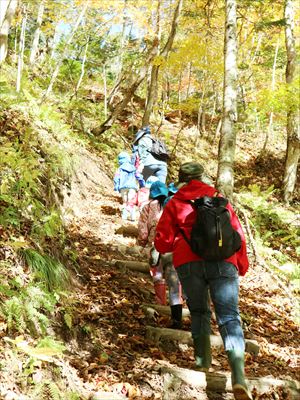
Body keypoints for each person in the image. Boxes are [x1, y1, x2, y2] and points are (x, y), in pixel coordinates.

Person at [154, 162, 252, 400]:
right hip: (224, 261)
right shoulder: (219, 198)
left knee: (199, 312)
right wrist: (241, 264)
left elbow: (162, 242)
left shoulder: (175, 202)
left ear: (182, 181)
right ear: (203, 178)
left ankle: (202, 364)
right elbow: (237, 233)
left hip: (188, 262)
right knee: (229, 316)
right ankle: (239, 377)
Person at [137, 181, 182, 328]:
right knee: (174, 279)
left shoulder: (147, 207)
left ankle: (160, 304)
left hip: (155, 246)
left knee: (157, 276)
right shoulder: (172, 205)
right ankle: (178, 305)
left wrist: (142, 243)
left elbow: (143, 229)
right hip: (173, 247)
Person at [113, 151, 145, 221]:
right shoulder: (133, 168)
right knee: (131, 202)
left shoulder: (120, 169)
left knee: (125, 202)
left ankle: (124, 217)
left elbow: (116, 178)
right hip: (132, 187)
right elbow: (138, 176)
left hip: (123, 188)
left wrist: (116, 187)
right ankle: (132, 217)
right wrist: (142, 184)